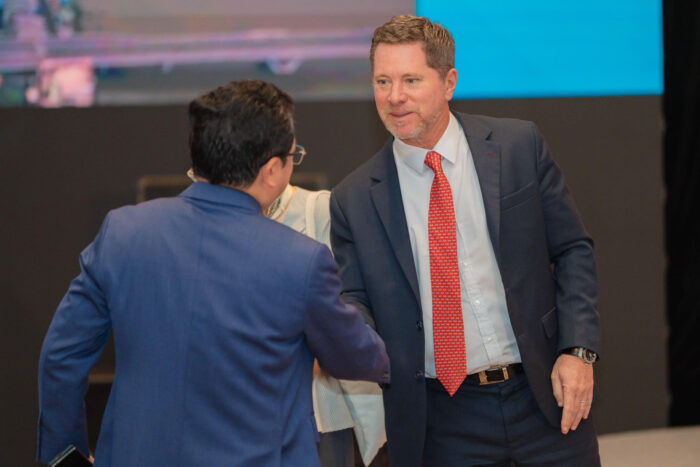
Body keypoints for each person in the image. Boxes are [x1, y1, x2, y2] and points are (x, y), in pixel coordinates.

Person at [37, 80, 390, 467]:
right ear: (273, 170)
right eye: (294, 156)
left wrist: (64, 456)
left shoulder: (123, 233)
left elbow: (61, 355)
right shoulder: (300, 260)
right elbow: (353, 356)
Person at [330, 15, 601, 466]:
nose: (394, 97)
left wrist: (578, 350)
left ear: (449, 82)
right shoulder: (353, 199)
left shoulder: (517, 147)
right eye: (382, 81)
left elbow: (572, 250)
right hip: (442, 420)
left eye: (411, 80)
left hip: (543, 396)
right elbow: (353, 301)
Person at [266, 182, 386, 467]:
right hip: (245, 413)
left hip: (319, 411)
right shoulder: (219, 218)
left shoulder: (317, 209)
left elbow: (351, 303)